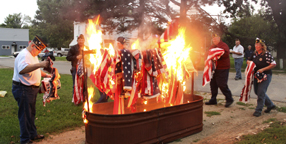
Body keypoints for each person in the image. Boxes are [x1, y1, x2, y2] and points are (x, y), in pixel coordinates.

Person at [12, 35, 51, 144]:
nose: (39, 53)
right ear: (33, 45)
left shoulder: (32, 55)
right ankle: (25, 140)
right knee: (25, 114)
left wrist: (46, 75)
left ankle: (32, 134)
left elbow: (35, 69)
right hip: (23, 89)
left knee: (31, 113)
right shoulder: (24, 55)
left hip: (31, 89)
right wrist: (41, 64)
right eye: (39, 50)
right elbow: (23, 70)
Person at [247, 38, 276, 117]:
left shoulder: (266, 54)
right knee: (257, 91)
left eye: (258, 45)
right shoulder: (254, 54)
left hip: (266, 75)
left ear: (262, 46)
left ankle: (258, 110)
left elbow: (273, 64)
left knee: (261, 92)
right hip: (257, 76)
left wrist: (262, 69)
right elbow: (248, 60)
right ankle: (270, 105)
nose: (256, 46)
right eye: (255, 44)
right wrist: (250, 62)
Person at [205, 33, 234, 107]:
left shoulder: (223, 45)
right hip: (215, 68)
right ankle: (213, 99)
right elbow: (209, 53)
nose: (214, 40)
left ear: (219, 38)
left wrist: (217, 54)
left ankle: (229, 98)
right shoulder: (213, 46)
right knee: (213, 84)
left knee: (222, 84)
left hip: (223, 68)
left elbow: (226, 53)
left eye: (215, 38)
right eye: (213, 39)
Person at [95, 37, 126, 103]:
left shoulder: (124, 52)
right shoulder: (112, 51)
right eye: (121, 44)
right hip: (110, 76)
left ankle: (98, 106)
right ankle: (95, 107)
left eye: (123, 44)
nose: (123, 45)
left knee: (115, 94)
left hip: (119, 78)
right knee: (106, 94)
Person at [66, 34, 85, 100]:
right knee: (76, 84)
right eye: (79, 40)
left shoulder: (87, 48)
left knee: (84, 84)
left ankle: (83, 97)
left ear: (84, 41)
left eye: (82, 40)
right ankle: (75, 98)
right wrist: (76, 57)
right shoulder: (73, 48)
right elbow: (68, 57)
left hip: (84, 68)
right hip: (75, 68)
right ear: (77, 41)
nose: (81, 41)